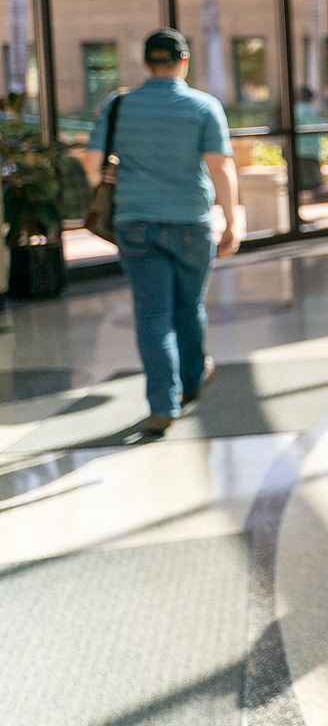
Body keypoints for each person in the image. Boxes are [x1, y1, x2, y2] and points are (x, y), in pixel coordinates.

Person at [88, 29, 241, 439]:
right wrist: (231, 220)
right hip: (191, 222)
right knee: (188, 307)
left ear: (145, 64)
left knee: (152, 314)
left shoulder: (119, 105)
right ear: (184, 61)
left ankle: (162, 403)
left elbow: (91, 163)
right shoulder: (202, 106)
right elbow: (220, 166)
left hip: (135, 223)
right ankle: (191, 381)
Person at [293, 87, 323, 193]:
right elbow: (316, 126)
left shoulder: (293, 108)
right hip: (309, 149)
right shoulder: (307, 110)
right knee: (313, 182)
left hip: (296, 148)